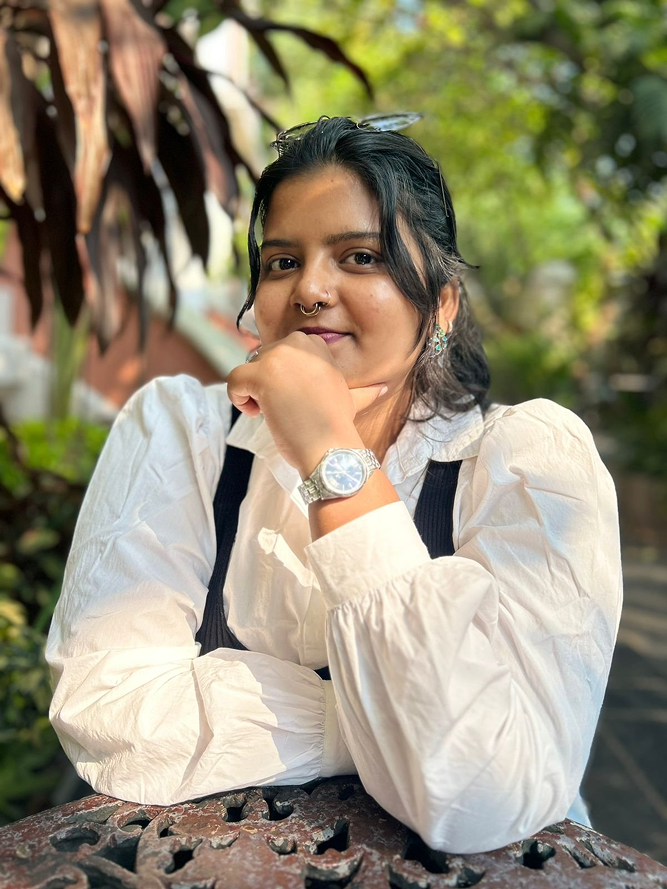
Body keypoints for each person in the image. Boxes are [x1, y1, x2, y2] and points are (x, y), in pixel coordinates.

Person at [46, 115, 622, 854]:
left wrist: (327, 450)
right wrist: (387, 725)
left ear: (442, 305)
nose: (311, 289)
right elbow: (105, 709)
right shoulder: (182, 432)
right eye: (282, 261)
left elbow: (485, 793)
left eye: (360, 256)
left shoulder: (526, 464)